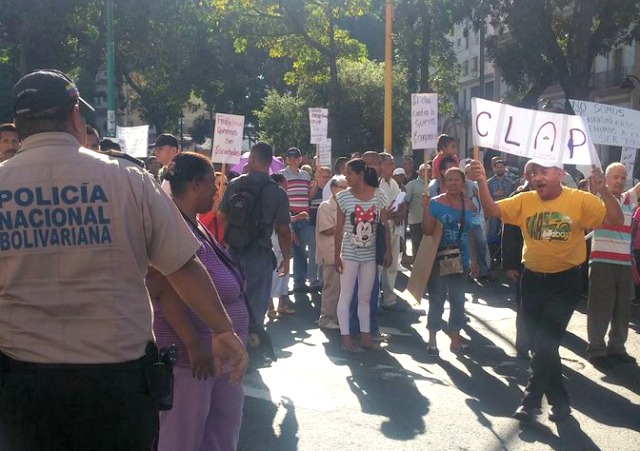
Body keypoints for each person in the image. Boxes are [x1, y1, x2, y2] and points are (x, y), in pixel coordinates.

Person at [0, 69, 247, 450]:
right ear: (75, 116)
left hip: (25, 384)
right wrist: (222, 330)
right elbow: (181, 264)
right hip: (118, 384)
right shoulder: (128, 179)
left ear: (19, 126)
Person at [468, 157, 623, 423]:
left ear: (560, 173)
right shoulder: (525, 200)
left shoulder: (579, 200)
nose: (537, 177)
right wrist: (482, 181)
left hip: (565, 283)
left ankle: (530, 400)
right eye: (533, 172)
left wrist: (605, 190)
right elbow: (492, 210)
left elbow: (616, 219)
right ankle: (559, 400)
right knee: (539, 344)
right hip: (531, 281)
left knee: (544, 343)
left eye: (544, 172)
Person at [148, 152, 249, 451]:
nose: (218, 191)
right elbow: (162, 288)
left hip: (218, 354)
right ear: (195, 184)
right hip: (191, 359)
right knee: (184, 438)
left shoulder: (196, 223)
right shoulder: (169, 225)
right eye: (212, 184)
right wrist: (193, 344)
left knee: (220, 431)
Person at [219, 142, 292, 322]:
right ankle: (252, 344)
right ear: (269, 163)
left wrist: (232, 235)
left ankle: (235, 343)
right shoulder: (278, 192)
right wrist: (287, 257)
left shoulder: (235, 184)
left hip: (234, 251)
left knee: (232, 303)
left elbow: (221, 214)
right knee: (256, 308)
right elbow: (283, 229)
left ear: (251, 159)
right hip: (260, 253)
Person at [335, 159, 391, 352]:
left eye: (350, 173)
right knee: (346, 295)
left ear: (360, 174)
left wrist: (389, 251)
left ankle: (366, 337)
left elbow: (385, 226)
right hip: (349, 254)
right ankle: (346, 339)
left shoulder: (378, 196)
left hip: (370, 254)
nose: (346, 177)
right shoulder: (343, 197)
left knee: (365, 297)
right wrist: (336, 255)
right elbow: (339, 228)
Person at [422, 167, 479, 356]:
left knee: (458, 301)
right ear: (444, 182)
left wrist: (474, 260)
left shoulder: (470, 205)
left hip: (461, 259)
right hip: (439, 259)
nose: (453, 183)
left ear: (463, 183)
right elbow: (428, 231)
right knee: (437, 299)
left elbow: (471, 233)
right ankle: (432, 341)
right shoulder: (435, 203)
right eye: (450, 179)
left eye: (457, 179)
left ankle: (455, 340)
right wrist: (426, 210)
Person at [587, 163, 638, 368]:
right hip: (601, 262)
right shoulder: (597, 199)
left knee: (623, 308)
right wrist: (596, 183)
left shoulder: (628, 199)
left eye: (623, 177)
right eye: (615, 176)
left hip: (624, 263)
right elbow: (592, 195)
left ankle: (617, 347)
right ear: (606, 179)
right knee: (600, 307)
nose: (619, 180)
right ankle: (597, 350)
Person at [501, 175, 533, 359]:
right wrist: (509, 264)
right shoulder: (518, 197)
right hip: (523, 263)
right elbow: (509, 234)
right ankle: (523, 344)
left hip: (549, 263)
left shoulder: (555, 197)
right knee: (524, 305)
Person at [316, 175, 348, 329]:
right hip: (330, 252)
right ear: (334, 189)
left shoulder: (347, 206)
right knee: (332, 287)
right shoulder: (325, 206)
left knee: (343, 289)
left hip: (345, 251)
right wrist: (345, 226)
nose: (347, 190)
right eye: (343, 187)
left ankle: (337, 317)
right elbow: (327, 229)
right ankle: (326, 318)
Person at [280, 147, 312, 292]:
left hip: (304, 215)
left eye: (296, 157)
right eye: (290, 157)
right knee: (292, 248)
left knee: (301, 249)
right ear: (287, 159)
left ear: (300, 159)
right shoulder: (281, 175)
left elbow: (308, 196)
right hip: (290, 214)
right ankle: (295, 282)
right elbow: (281, 199)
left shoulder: (306, 175)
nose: (293, 160)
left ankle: (300, 280)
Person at [268, 173, 300, 317]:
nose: (288, 185)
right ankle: (269, 307)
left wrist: (292, 230)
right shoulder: (270, 199)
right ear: (279, 183)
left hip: (284, 244)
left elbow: (286, 221)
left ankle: (282, 304)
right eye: (285, 182)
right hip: (274, 243)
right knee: (272, 275)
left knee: (284, 276)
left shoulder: (283, 198)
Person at [379, 152, 406, 311]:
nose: (392, 167)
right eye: (389, 164)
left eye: (392, 164)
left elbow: (400, 201)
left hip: (395, 227)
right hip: (382, 227)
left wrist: (400, 213)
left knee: (392, 262)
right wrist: (387, 215)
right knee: (380, 263)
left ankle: (389, 298)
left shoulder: (394, 184)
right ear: (382, 165)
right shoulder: (377, 183)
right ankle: (377, 297)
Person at [308, 166, 332, 290]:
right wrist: (316, 185)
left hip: (327, 224)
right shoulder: (313, 187)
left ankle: (323, 279)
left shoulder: (332, 189)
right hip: (313, 224)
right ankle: (312, 278)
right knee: (313, 251)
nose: (326, 179)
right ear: (317, 176)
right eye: (323, 176)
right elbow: (309, 199)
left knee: (325, 251)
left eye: (328, 176)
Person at [405, 164, 427, 256]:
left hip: (429, 221)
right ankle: (417, 268)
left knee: (427, 246)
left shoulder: (433, 184)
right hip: (416, 220)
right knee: (417, 244)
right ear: (420, 172)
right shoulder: (412, 184)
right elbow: (405, 201)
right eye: (425, 170)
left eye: (429, 170)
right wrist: (410, 213)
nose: (427, 173)